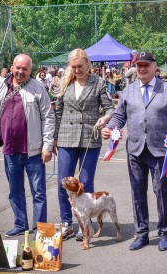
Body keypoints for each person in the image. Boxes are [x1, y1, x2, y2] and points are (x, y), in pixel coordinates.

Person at [101, 51, 167, 251]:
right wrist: (111, 128)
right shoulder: (128, 90)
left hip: (160, 151)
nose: (141, 68)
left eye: (145, 65)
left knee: (162, 192)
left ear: (154, 67)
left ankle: (165, 233)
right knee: (138, 193)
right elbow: (119, 116)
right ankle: (141, 233)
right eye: (138, 65)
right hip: (135, 150)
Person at [0, 54, 55, 238]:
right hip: (9, 151)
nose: (20, 71)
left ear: (31, 70)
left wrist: (47, 146)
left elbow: (48, 118)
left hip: (34, 151)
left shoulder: (38, 88)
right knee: (15, 191)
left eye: (25, 69)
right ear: (12, 67)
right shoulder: (1, 86)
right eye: (18, 68)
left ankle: (39, 228)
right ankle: (20, 224)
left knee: (38, 193)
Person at [54, 48, 114, 241]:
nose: (77, 70)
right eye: (74, 67)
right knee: (64, 182)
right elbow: (58, 111)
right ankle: (66, 223)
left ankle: (84, 223)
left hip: (90, 136)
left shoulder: (99, 82)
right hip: (66, 136)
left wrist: (105, 119)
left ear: (88, 64)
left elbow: (109, 107)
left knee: (86, 183)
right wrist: (54, 138)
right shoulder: (64, 82)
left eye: (80, 66)